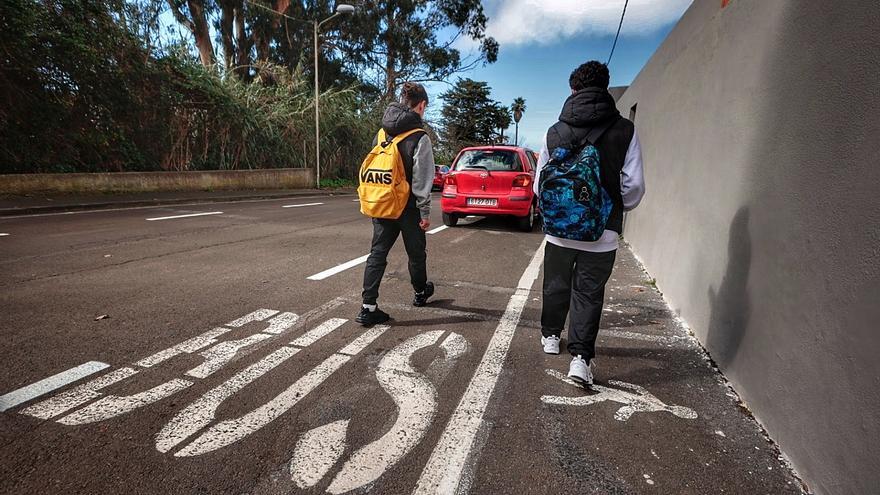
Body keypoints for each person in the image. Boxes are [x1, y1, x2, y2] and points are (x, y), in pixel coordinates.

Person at [534, 61, 646, 385]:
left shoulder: (554, 131)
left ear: (573, 90)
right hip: (602, 234)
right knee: (588, 292)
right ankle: (580, 360)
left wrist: (560, 208)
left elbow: (538, 183)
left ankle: (551, 336)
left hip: (559, 231)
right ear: (605, 87)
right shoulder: (625, 130)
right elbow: (634, 186)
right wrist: (611, 209)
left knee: (555, 285)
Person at [356, 82, 436, 326]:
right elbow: (422, 178)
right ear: (421, 105)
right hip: (408, 207)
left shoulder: (381, 133)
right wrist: (424, 211)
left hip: (383, 202)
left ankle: (368, 307)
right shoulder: (419, 137)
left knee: (377, 253)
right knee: (416, 254)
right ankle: (420, 292)